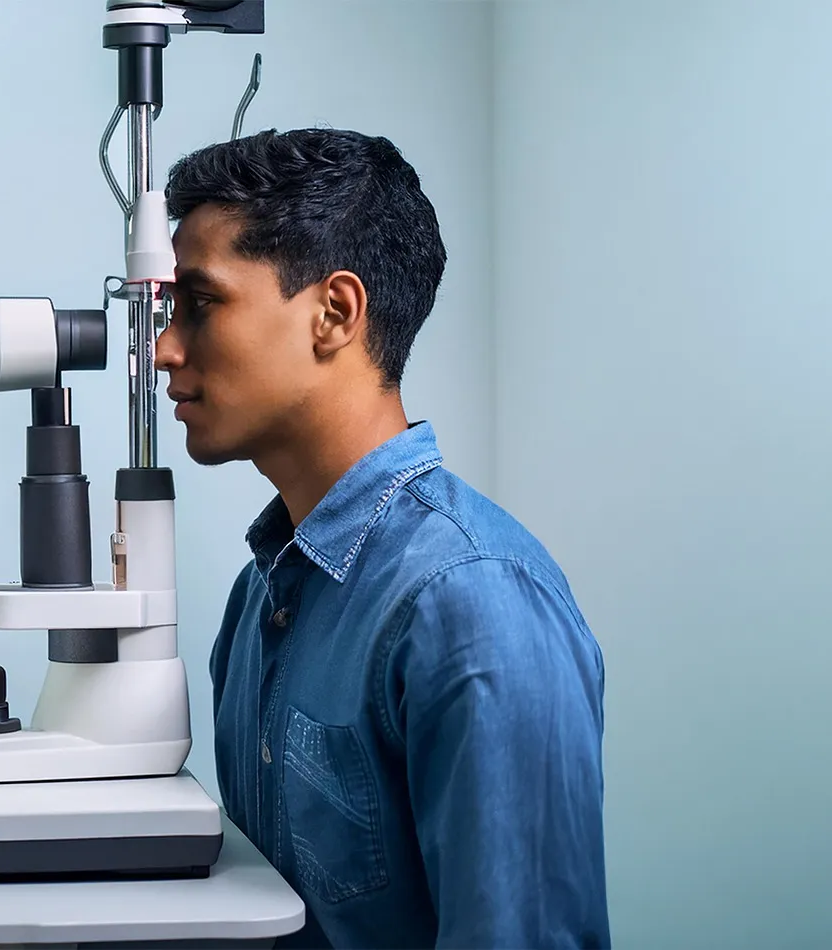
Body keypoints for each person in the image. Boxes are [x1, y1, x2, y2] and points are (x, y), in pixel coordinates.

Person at [155, 129, 609, 948]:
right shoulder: (262, 592)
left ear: (334, 313)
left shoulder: (471, 602)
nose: (165, 348)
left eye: (202, 302)